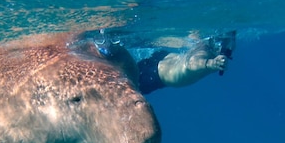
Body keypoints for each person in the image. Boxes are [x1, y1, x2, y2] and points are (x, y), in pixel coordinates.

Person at [91, 29, 236, 94]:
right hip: (162, 60)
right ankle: (106, 42)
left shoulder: (205, 55)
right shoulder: (206, 47)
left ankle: (104, 43)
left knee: (113, 80)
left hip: (151, 76)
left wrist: (211, 65)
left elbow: (191, 64)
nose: (227, 49)